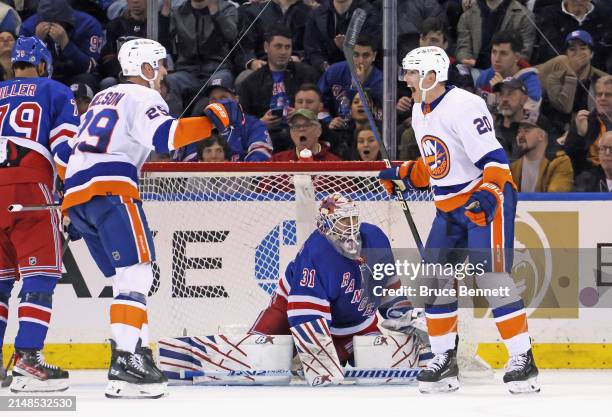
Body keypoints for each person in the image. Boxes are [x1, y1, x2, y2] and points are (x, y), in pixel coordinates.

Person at [61, 38, 240, 399]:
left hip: (75, 195)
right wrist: (212, 119)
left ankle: (134, 356)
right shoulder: (144, 96)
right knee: (138, 274)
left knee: (124, 279)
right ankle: (126, 360)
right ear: (144, 68)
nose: (164, 72)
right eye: (159, 64)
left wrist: (75, 206)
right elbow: (166, 137)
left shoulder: (100, 98)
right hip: (111, 189)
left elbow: (69, 150)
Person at [379, 46, 539, 394]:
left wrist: (486, 196)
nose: (405, 79)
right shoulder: (420, 111)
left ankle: (522, 359)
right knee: (433, 278)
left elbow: (495, 161)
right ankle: (442, 360)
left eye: (411, 72)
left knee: (491, 276)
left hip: (488, 197)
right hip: (450, 206)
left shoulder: (465, 106)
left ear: (431, 76)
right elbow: (438, 166)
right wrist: (405, 173)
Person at [250, 193, 429, 383]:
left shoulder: (376, 239)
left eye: (353, 218)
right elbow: (305, 314)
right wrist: (317, 360)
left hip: (357, 323)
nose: (351, 225)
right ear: (326, 225)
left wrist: (406, 317)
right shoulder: (317, 251)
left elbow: (388, 290)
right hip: (288, 310)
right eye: (343, 220)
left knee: (382, 376)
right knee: (256, 356)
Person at [0, 36, 79, 392]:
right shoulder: (56, 91)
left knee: (0, 283)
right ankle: (28, 360)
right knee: (41, 277)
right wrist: (74, 193)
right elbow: (64, 147)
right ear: (44, 64)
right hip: (31, 188)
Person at [238, 25, 319, 152]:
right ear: (266, 47)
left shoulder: (307, 75)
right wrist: (261, 123)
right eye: (278, 46)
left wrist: (300, 113)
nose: (283, 52)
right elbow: (242, 122)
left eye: (287, 47)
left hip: (300, 133)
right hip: (266, 137)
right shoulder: (249, 83)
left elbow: (320, 108)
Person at [173, 77, 273, 162]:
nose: (218, 103)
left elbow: (261, 153)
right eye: (213, 99)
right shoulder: (197, 127)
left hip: (243, 182)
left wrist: (236, 171)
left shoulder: (253, 124)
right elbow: (189, 160)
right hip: (203, 182)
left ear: (236, 99)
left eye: (223, 97)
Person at [166, 0, 238, 111]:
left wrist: (215, 12)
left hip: (218, 69)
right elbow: (167, 43)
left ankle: (221, 126)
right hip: (187, 72)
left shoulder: (227, 8)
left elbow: (231, 35)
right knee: (170, 81)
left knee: (219, 82)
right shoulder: (178, 12)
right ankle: (174, 125)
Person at [20, 0, 104, 86]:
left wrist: (66, 44)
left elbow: (90, 68)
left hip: (76, 77)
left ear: (67, 20)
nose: (53, 28)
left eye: (59, 23)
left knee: (87, 80)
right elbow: (22, 69)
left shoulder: (88, 24)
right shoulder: (27, 27)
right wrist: (37, 43)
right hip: (43, 78)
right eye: (48, 23)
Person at [536, 30, 609, 127]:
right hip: (560, 128)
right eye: (572, 49)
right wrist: (571, 75)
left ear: (591, 54)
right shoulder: (554, 78)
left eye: (583, 48)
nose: (577, 53)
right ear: (567, 54)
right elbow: (565, 107)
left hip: (596, 128)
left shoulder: (602, 79)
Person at [99, 0, 171, 89]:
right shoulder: (115, 25)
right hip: (124, 75)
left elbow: (166, 54)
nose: (135, 1)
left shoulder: (160, 24)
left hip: (152, 74)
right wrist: (127, 72)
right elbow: (107, 59)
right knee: (108, 82)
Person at [303, 0, 380, 74]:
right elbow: (312, 49)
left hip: (358, 70)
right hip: (325, 71)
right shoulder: (317, 14)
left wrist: (347, 49)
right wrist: (324, 66)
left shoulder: (368, 13)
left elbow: (369, 47)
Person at [455, 0, 535, 70]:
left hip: (507, 74)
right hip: (475, 69)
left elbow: (524, 54)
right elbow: (463, 46)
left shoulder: (524, 17)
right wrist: (466, 60)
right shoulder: (467, 15)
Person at [319, 34, 382, 122]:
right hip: (335, 129)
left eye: (366, 55)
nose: (360, 61)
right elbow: (319, 104)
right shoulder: (334, 72)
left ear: (374, 56)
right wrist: (329, 121)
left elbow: (379, 117)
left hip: (365, 130)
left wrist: (357, 87)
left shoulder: (381, 82)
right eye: (356, 55)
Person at [475, 31, 541, 114]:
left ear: (516, 57)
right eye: (494, 52)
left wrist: (502, 92)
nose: (497, 59)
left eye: (503, 53)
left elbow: (526, 120)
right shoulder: (485, 76)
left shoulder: (531, 84)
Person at [510, 114, 574, 192]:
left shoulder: (560, 162)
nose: (520, 135)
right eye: (519, 131)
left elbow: (555, 200)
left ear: (541, 136)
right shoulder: (512, 165)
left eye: (526, 131)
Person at [563, 75, 612, 176]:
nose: (602, 98)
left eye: (608, 95)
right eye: (599, 94)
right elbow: (569, 160)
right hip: (588, 177)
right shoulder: (583, 120)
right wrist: (580, 136)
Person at [272, 109, 340, 161]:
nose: (301, 129)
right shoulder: (278, 160)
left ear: (319, 131)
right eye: (297, 126)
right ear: (291, 133)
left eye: (307, 125)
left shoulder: (334, 162)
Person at [492, 77, 530, 162]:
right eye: (501, 94)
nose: (505, 99)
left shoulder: (537, 127)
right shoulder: (490, 128)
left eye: (511, 94)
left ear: (524, 99)